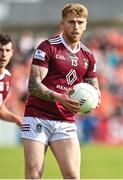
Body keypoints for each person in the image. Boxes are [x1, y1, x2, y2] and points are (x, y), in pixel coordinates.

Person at [22, 3, 101, 179]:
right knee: (34, 175)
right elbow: (33, 85)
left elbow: (93, 87)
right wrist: (60, 98)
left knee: (73, 176)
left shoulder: (88, 56)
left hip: (65, 121)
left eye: (80, 22)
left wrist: (94, 98)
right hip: (37, 117)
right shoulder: (48, 47)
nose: (76, 26)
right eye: (71, 22)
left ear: (85, 25)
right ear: (62, 23)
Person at [0, 33, 22, 127]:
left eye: (7, 50)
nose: (4, 54)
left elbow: (0, 109)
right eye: (0, 50)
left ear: (12, 53)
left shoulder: (7, 78)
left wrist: (15, 118)